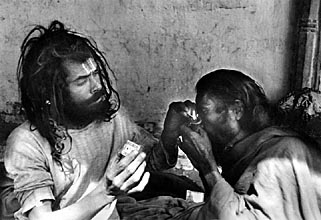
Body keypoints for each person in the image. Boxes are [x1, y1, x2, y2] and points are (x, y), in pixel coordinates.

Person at [3, 20, 187, 220]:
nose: (97, 85)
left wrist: (170, 132)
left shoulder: (112, 119)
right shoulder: (26, 143)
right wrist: (106, 193)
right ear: (52, 93)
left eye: (96, 74)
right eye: (81, 81)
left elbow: (152, 162)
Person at [166, 69, 321, 219]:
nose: (200, 122)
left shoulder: (280, 156)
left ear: (236, 110)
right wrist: (203, 166)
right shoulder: (248, 152)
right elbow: (220, 203)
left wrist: (207, 165)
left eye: (205, 111)